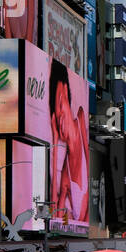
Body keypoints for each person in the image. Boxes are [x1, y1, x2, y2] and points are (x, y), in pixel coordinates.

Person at [49, 60, 90, 227]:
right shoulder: (65, 173)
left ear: (66, 91)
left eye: (60, 105)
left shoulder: (82, 119)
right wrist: (53, 140)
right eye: (56, 117)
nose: (60, 120)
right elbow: (56, 217)